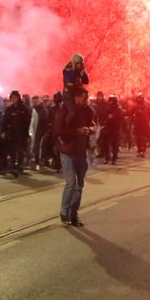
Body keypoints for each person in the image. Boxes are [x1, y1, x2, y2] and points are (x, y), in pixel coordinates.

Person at [53, 85, 94, 226]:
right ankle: (64, 212)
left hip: (81, 152)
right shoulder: (65, 110)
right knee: (71, 183)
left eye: (87, 98)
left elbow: (93, 125)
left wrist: (91, 129)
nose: (86, 101)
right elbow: (58, 130)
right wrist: (77, 132)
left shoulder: (88, 111)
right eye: (83, 98)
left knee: (80, 185)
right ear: (76, 98)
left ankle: (74, 214)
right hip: (68, 151)